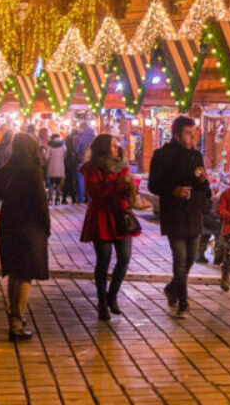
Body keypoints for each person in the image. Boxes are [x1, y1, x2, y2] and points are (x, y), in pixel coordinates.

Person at [0, 133, 50, 341]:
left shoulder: (4, 170)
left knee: (14, 273)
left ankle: (15, 316)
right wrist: (46, 228)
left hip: (8, 227)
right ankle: (16, 324)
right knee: (25, 275)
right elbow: (41, 204)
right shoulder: (33, 171)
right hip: (29, 228)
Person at [148, 116, 211, 318]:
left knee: (191, 258)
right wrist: (173, 190)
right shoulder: (162, 155)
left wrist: (203, 181)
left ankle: (171, 288)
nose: (192, 136)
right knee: (180, 259)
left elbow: (202, 187)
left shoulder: (196, 155)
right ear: (176, 135)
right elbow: (153, 185)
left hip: (193, 212)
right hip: (174, 213)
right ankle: (183, 303)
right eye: (188, 133)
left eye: (194, 132)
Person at [80, 134, 140, 320]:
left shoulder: (122, 165)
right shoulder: (92, 167)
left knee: (125, 257)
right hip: (102, 215)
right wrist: (116, 184)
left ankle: (112, 294)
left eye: (117, 144)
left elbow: (128, 188)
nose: (117, 148)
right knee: (103, 259)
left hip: (121, 215)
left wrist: (131, 187)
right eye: (113, 145)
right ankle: (102, 302)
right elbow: (93, 192)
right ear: (103, 148)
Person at [73, 121, 95, 203]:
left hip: (81, 160)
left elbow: (76, 150)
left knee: (80, 180)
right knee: (90, 180)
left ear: (82, 128)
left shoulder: (79, 137)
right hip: (91, 161)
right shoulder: (94, 137)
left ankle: (80, 198)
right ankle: (88, 198)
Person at [45, 134, 66, 206]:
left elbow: (46, 157)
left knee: (51, 184)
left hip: (52, 167)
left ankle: (50, 199)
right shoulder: (63, 146)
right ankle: (57, 200)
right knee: (58, 184)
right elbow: (65, 156)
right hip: (60, 167)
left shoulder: (49, 146)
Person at [62, 130, 79, 204]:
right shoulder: (72, 149)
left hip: (66, 167)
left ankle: (65, 198)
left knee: (68, 183)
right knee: (70, 183)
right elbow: (72, 159)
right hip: (70, 168)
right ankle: (72, 198)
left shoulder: (66, 149)